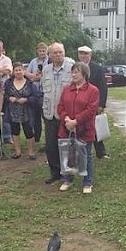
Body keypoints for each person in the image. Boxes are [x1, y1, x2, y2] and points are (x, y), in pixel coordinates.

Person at [57, 62, 99, 194]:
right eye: (72, 72)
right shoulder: (66, 89)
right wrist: (67, 120)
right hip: (67, 128)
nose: (73, 75)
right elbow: (60, 106)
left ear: (84, 74)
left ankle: (87, 182)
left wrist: (76, 121)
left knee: (85, 155)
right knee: (68, 154)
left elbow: (91, 110)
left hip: (84, 128)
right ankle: (67, 179)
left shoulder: (93, 90)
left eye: (77, 72)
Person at [41, 42, 73, 183]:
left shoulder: (72, 68)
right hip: (49, 113)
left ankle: (67, 172)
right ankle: (55, 172)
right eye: (55, 52)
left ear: (64, 52)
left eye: (60, 52)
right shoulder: (46, 70)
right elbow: (43, 89)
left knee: (66, 144)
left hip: (66, 113)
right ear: (50, 55)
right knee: (50, 145)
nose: (58, 55)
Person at [77, 45, 109, 159]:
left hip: (93, 103)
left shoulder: (98, 68)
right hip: (79, 103)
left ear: (90, 55)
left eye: (85, 54)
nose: (83, 56)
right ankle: (80, 150)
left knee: (95, 127)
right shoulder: (75, 68)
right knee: (80, 127)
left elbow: (103, 87)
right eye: (81, 53)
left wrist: (101, 104)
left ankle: (101, 152)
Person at [4, 62, 39, 159]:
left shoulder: (30, 83)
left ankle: (31, 152)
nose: (18, 72)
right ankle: (17, 152)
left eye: (20, 70)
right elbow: (5, 95)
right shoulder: (8, 82)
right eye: (16, 70)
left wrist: (27, 100)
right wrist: (9, 98)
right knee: (15, 131)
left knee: (28, 131)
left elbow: (36, 96)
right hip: (12, 111)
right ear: (13, 72)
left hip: (27, 111)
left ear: (24, 71)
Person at [24, 42, 48, 144]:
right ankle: (37, 137)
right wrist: (35, 76)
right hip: (34, 93)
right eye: (40, 50)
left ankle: (48, 139)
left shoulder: (49, 61)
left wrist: (35, 77)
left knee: (46, 116)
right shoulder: (33, 61)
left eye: (44, 51)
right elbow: (26, 73)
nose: (42, 52)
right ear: (37, 51)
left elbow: (45, 75)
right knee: (35, 116)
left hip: (45, 92)